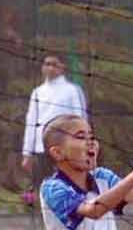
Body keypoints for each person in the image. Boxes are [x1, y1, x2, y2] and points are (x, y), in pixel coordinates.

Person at [23, 56, 88, 194]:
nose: (50, 68)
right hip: (41, 149)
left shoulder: (72, 90)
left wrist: (83, 144)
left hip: (66, 148)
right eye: (47, 64)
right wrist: (27, 153)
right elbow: (31, 122)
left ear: (62, 67)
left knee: (69, 186)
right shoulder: (37, 92)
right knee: (44, 189)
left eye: (54, 64)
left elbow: (80, 118)